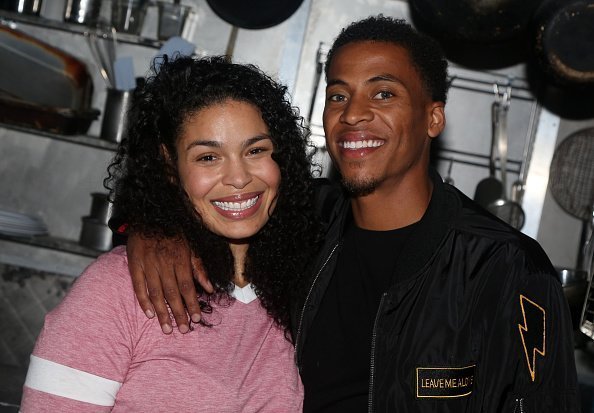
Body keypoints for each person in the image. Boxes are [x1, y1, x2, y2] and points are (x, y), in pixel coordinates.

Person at [124, 16, 580, 412]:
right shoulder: (303, 219)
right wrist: (152, 229)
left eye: (383, 94)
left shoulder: (505, 268)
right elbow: (198, 197)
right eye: (339, 96)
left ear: (433, 118)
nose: (353, 115)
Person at [20, 55, 322, 412]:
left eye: (256, 150)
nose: (239, 178)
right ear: (170, 166)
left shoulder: (307, 287)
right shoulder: (119, 289)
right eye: (208, 157)